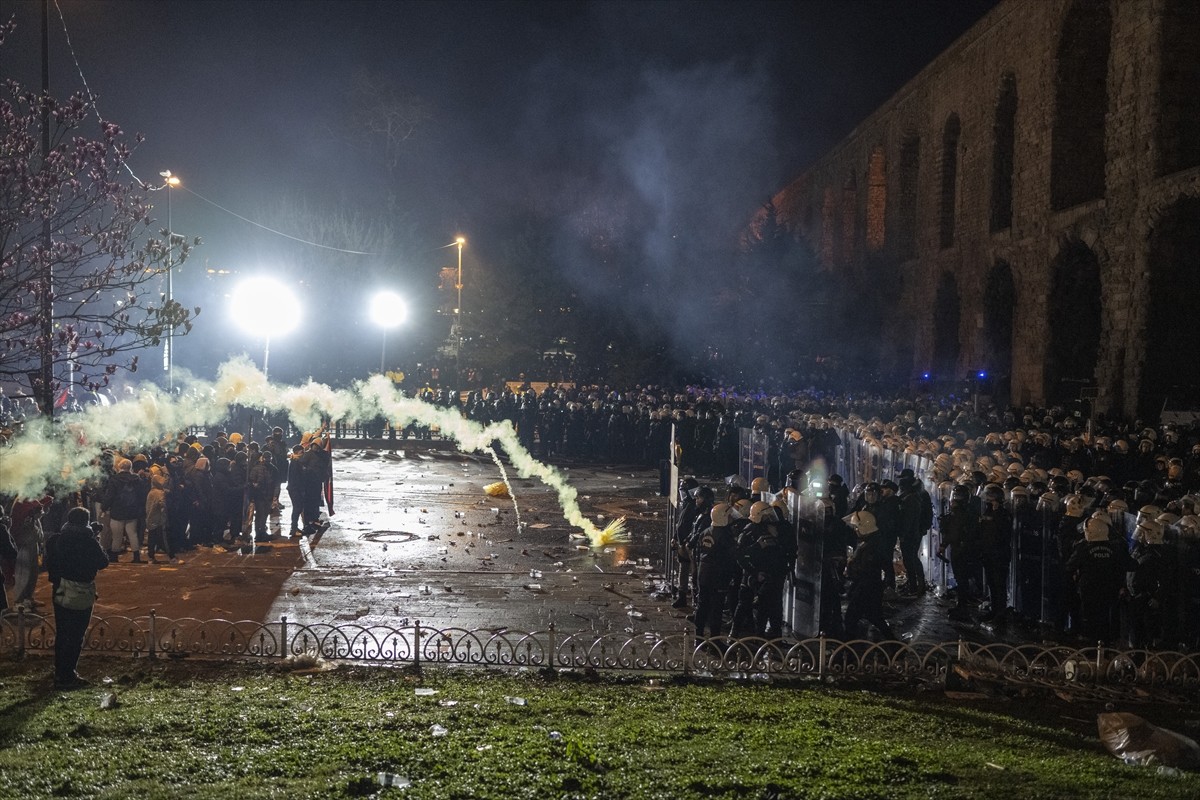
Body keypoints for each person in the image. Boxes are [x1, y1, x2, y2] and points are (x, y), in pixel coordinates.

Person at [44, 507, 109, 690]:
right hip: (80, 591)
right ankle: (68, 675)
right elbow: (103, 562)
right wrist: (94, 538)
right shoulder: (88, 542)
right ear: (86, 522)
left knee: (63, 633)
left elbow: (51, 563)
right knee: (75, 635)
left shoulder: (56, 540)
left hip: (60, 590)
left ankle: (60, 672)